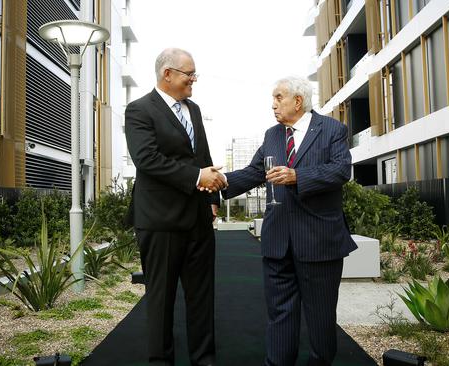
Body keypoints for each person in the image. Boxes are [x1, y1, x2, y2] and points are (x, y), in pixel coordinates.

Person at [221, 76, 357, 366]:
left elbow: (341, 171)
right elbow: (254, 172)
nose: (273, 104)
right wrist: (216, 183)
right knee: (280, 315)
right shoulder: (272, 135)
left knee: (320, 319)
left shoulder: (332, 129)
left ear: (298, 100)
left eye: (278, 97)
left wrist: (298, 177)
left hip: (319, 241)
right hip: (277, 240)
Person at [124, 47, 225, 366]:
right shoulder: (139, 110)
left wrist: (211, 198)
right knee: (161, 300)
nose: (193, 79)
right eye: (189, 73)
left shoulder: (193, 109)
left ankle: (204, 360)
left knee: (202, 300)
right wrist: (198, 177)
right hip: (160, 222)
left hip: (198, 221)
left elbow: (203, 156)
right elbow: (147, 160)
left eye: (195, 74)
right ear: (167, 74)